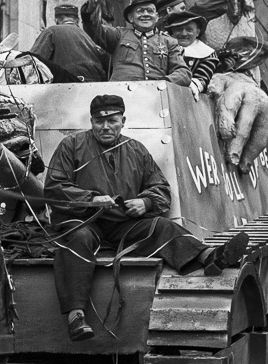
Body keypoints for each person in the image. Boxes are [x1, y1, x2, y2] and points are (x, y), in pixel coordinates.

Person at [45, 94, 249, 341]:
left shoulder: (136, 150)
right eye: (100, 121)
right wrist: (90, 199)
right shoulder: (72, 145)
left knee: (162, 226)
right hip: (85, 222)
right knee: (77, 238)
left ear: (123, 121)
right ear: (91, 121)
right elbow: (54, 188)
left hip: (123, 225)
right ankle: (76, 315)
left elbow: (161, 188)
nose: (106, 126)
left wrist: (146, 202)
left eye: (112, 120)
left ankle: (211, 257)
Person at [82, 0, 191, 86]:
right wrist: (90, 11)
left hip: (155, 99)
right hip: (121, 98)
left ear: (157, 17)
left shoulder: (168, 42)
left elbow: (183, 73)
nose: (145, 14)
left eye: (150, 10)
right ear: (131, 18)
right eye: (140, 11)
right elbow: (95, 30)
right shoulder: (118, 35)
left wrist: (162, 82)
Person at [30, 4, 107, 82]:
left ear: (56, 20)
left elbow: (32, 61)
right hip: (94, 86)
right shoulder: (90, 37)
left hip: (66, 85)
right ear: (77, 20)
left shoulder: (52, 31)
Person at [165, 11, 219, 100]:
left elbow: (202, 80)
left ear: (197, 32)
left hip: (189, 99)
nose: (183, 33)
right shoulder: (162, 47)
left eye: (189, 30)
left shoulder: (208, 53)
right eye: (179, 29)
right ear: (172, 32)